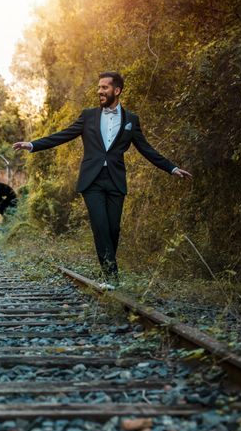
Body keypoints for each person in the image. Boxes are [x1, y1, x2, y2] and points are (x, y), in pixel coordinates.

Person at [13, 72, 192, 290]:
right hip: (92, 181)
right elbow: (64, 134)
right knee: (100, 227)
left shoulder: (131, 120)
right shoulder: (88, 116)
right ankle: (111, 278)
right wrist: (32, 145)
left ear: (117, 91)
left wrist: (171, 168)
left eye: (105, 88)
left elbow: (146, 149)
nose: (100, 91)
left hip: (116, 181)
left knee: (113, 229)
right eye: (99, 87)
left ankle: (109, 273)